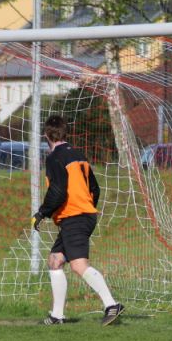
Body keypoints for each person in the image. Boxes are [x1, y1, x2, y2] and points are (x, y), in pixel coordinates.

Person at [31, 115, 124, 326]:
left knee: (78, 266)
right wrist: (87, 208)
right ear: (66, 133)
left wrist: (41, 213)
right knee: (55, 261)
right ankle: (57, 316)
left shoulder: (54, 158)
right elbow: (95, 189)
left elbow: (57, 192)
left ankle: (111, 304)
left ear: (47, 135)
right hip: (80, 216)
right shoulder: (79, 155)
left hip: (75, 217)